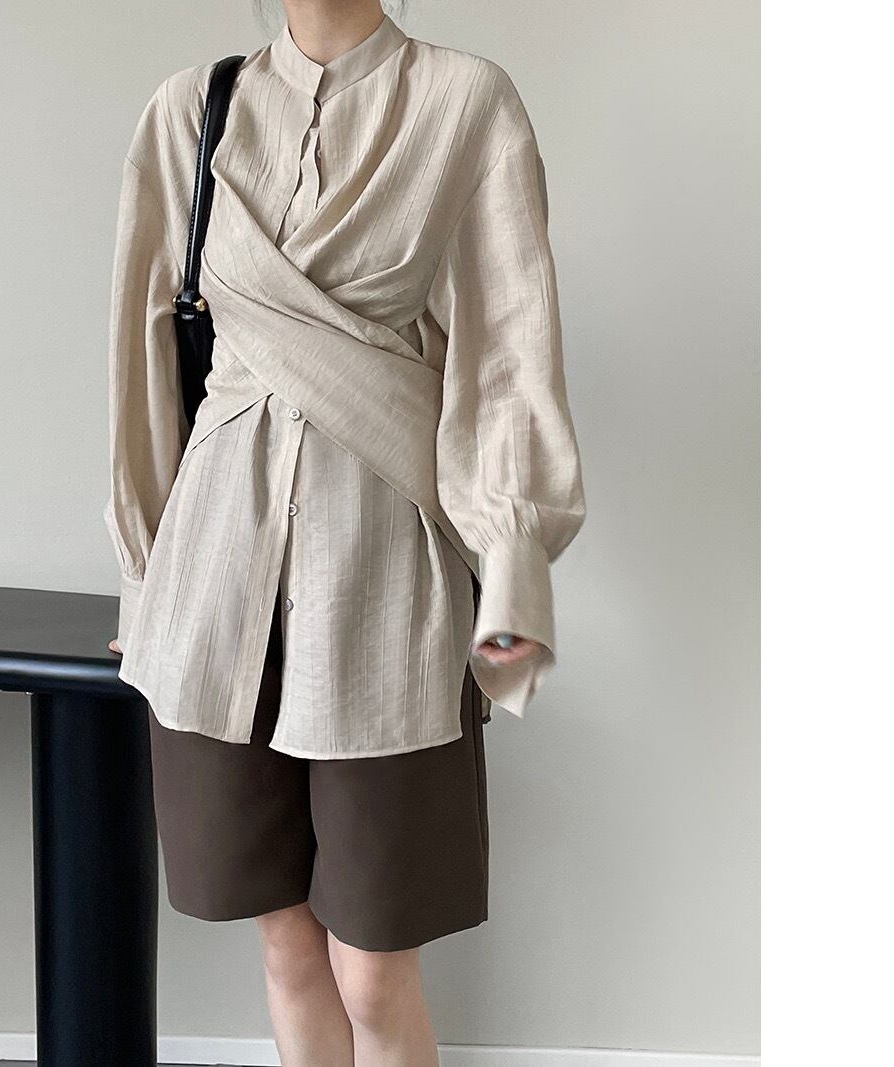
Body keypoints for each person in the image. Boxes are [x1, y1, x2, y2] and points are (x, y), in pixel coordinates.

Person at [103, 1, 586, 1063]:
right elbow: (144, 356)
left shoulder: (464, 103)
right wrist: (142, 574)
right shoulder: (189, 111)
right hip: (214, 583)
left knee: (372, 964)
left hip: (382, 579)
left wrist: (513, 567)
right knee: (286, 944)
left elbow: (508, 353)